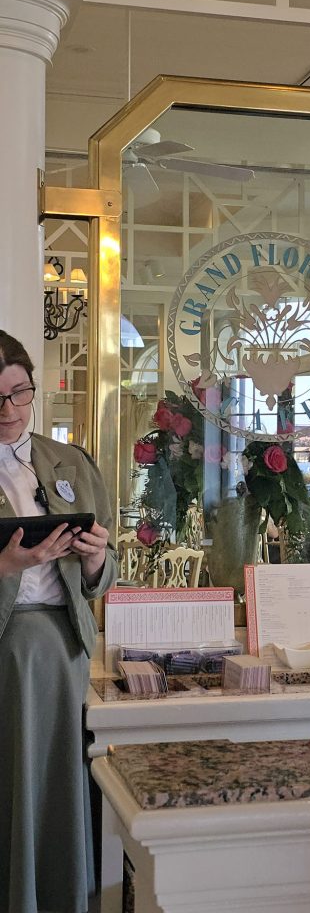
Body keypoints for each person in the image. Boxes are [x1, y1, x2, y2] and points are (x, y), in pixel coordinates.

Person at [0, 330, 117, 913]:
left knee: (60, 789)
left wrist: (95, 557)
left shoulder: (66, 460)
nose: (9, 411)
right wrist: (6, 566)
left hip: (68, 646)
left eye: (19, 394)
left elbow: (106, 568)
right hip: (7, 651)